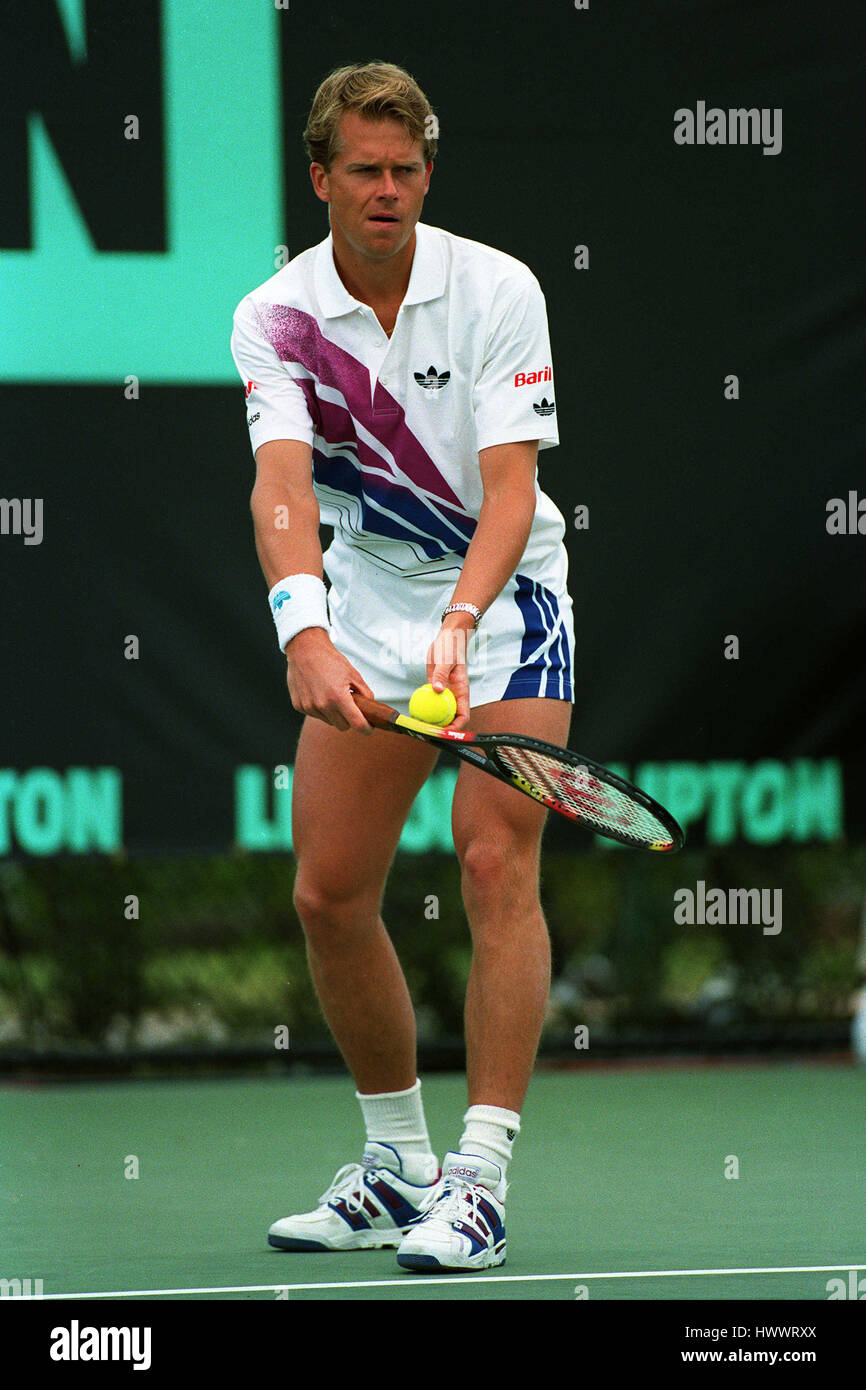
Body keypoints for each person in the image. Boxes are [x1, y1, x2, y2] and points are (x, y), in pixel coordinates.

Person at [230, 61, 574, 1272]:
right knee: (327, 892)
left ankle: (476, 1179)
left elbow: (508, 489)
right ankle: (398, 1163)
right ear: (319, 178)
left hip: (512, 598)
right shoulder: (271, 316)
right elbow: (280, 484)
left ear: (427, 174)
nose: (388, 191)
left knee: (493, 858)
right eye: (364, 171)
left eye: (407, 170)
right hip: (369, 596)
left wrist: (465, 619)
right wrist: (305, 630)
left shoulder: (497, 288)